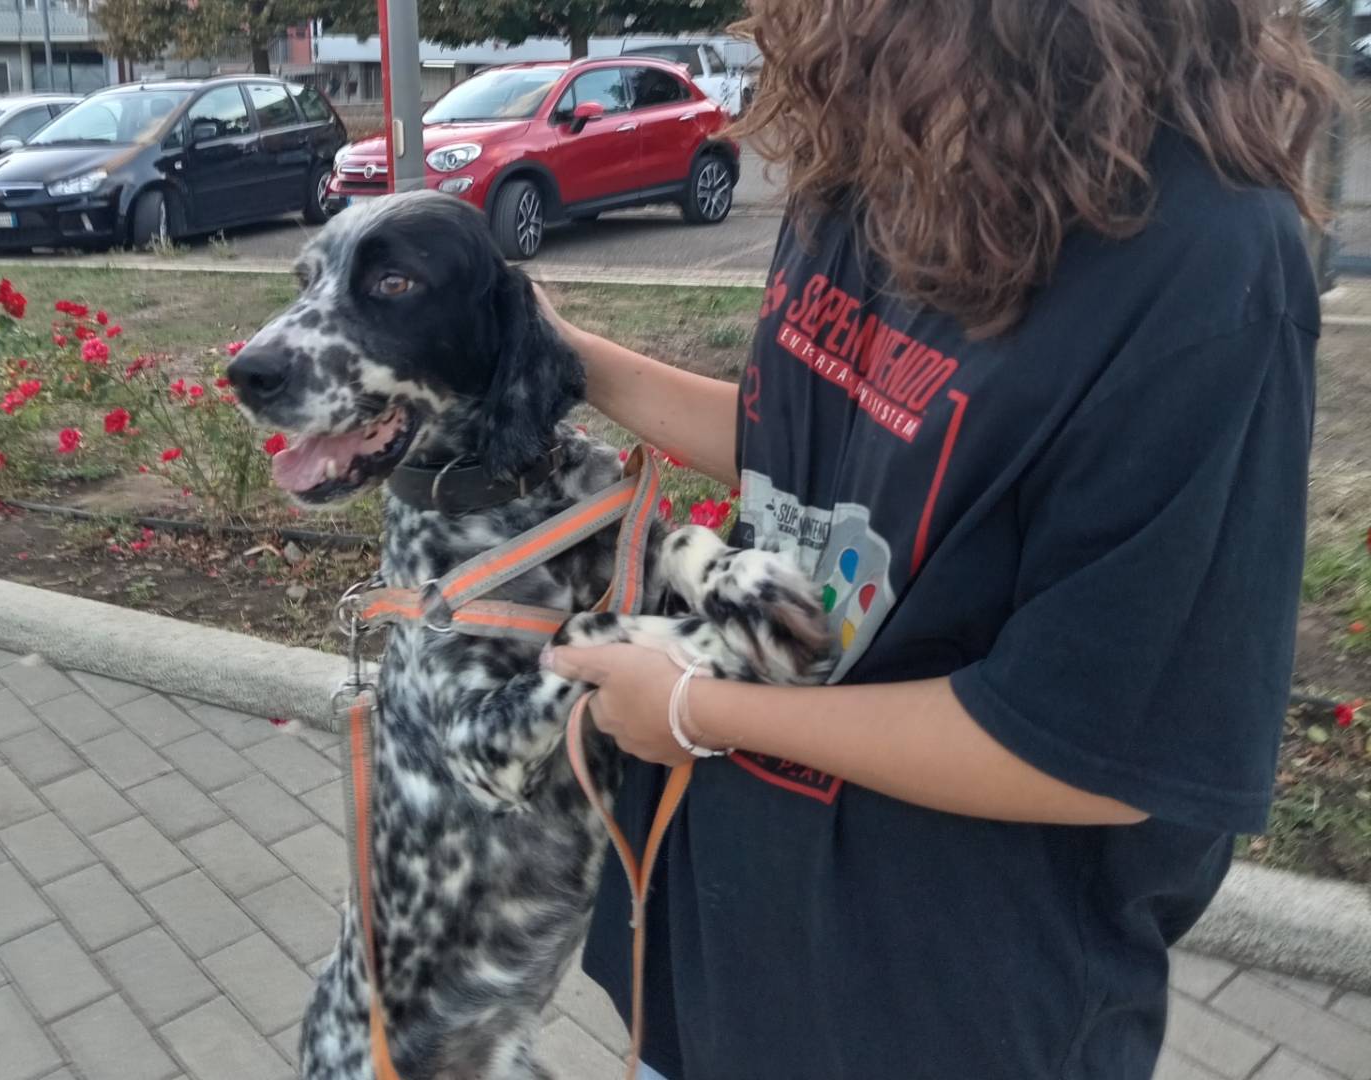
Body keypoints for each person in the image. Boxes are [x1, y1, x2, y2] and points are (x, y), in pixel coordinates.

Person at [536, 1, 1338, 1077]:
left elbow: (1095, 749)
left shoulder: (1206, 262)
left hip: (937, 1001)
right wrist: (564, 355)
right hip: (729, 948)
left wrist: (693, 711)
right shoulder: (876, 152)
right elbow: (815, 445)